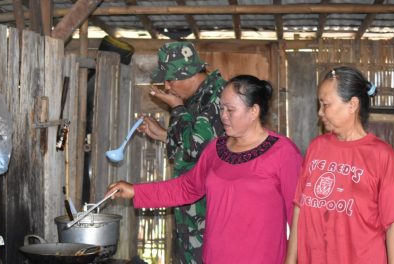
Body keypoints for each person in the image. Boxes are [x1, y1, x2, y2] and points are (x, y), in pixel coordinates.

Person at [107, 75, 303, 263]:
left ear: (253, 111)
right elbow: (186, 188)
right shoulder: (216, 149)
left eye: (230, 110)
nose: (223, 116)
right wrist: (135, 190)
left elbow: (299, 215)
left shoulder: (282, 152)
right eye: (221, 108)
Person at [285, 66, 394, 264]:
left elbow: (393, 224)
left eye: (325, 104)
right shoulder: (316, 148)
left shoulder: (380, 155)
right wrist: (290, 261)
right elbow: (299, 209)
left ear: (352, 104)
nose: (320, 112)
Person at [138, 41, 226, 263]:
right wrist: (163, 134)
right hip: (193, 211)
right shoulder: (197, 98)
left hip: (209, 213)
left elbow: (195, 149)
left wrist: (177, 108)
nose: (167, 87)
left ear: (186, 74)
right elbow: (196, 143)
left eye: (169, 80)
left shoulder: (216, 98)